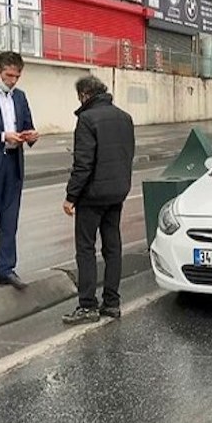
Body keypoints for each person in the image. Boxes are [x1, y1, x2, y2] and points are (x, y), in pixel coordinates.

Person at [62, 76, 135, 325]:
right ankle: (112, 303)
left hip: (92, 196)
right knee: (113, 247)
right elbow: (128, 155)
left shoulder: (87, 119)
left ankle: (87, 306)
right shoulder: (124, 117)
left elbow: (83, 164)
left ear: (84, 95)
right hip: (117, 192)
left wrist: (71, 196)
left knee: (85, 248)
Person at [0, 51, 38, 290]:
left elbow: (28, 125)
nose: (12, 81)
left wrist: (31, 135)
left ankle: (5, 270)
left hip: (13, 164)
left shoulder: (20, 97)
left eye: (17, 76)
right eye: (9, 75)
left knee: (10, 222)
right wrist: (1, 136)